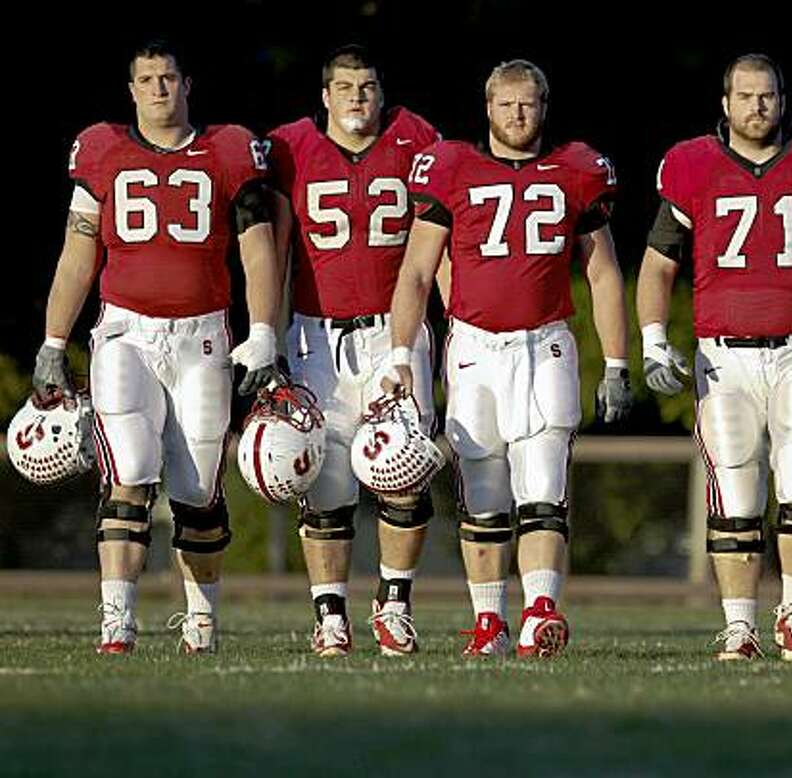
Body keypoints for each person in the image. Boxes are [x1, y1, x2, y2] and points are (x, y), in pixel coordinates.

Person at [637, 54, 792, 661]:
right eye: (746, 96)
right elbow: (658, 264)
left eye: (768, 95)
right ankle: (739, 624)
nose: (758, 106)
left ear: (783, 100)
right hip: (722, 354)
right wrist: (652, 337)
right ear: (725, 103)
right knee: (735, 489)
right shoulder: (692, 165)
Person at [34, 40, 279, 653]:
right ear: (132, 90)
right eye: (147, 80)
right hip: (125, 333)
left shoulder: (228, 150)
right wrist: (52, 340)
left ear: (187, 84)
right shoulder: (103, 150)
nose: (159, 90)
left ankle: (201, 618)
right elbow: (77, 253)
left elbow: (257, 251)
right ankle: (116, 617)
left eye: (168, 78)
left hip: (202, 334)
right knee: (131, 472)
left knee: (198, 491)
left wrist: (265, 332)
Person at [387, 59, 632, 657]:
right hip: (473, 346)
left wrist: (619, 362)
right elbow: (417, 272)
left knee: (544, 485)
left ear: (544, 107)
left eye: (528, 104)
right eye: (506, 104)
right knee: (485, 490)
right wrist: (399, 352)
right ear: (487, 108)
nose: (517, 115)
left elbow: (602, 274)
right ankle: (489, 622)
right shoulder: (451, 168)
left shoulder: (575, 169)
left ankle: (541, 611)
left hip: (545, 342)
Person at [266, 45, 442, 656]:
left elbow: (436, 242)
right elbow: (278, 251)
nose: (357, 99)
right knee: (328, 482)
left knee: (405, 471)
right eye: (345, 88)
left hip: (394, 332)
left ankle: (395, 603)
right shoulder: (290, 147)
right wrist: (270, 335)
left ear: (381, 90)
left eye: (366, 87)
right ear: (325, 95)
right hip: (317, 333)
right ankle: (330, 614)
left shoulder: (416, 138)